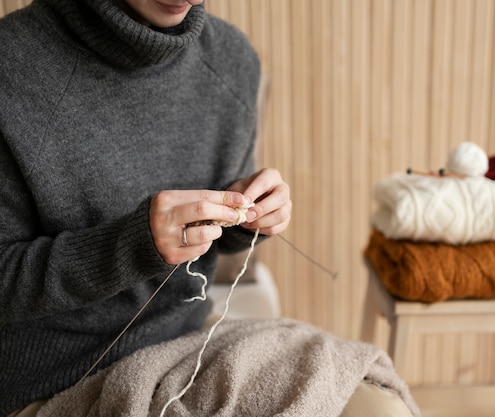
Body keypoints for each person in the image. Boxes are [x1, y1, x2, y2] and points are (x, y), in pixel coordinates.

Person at [0, 1, 419, 416]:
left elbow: (220, 240)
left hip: (185, 346)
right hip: (48, 382)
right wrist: (132, 244)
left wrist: (245, 215)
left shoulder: (231, 60)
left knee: (380, 409)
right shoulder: (12, 64)